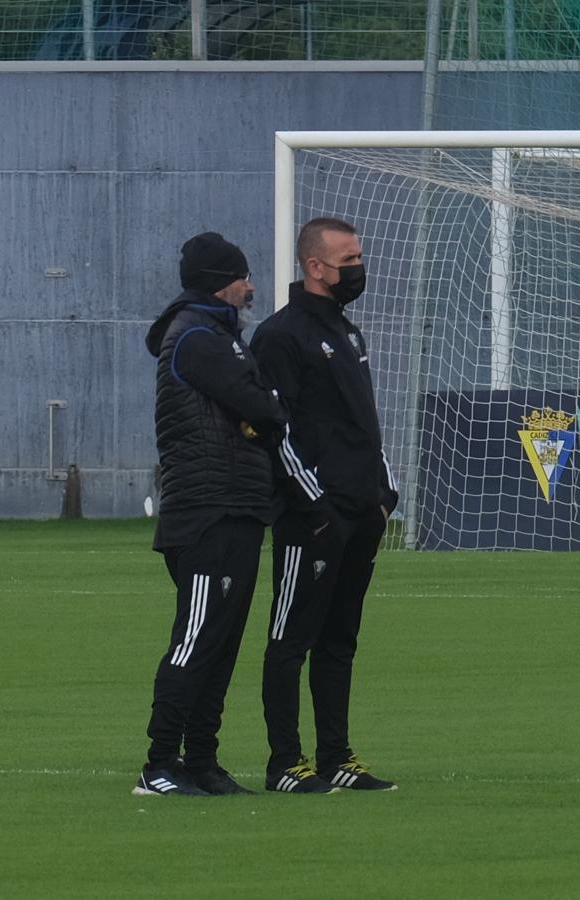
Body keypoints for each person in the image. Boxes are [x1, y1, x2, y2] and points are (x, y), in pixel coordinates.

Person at [134, 232, 287, 797]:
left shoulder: (223, 339)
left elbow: (267, 405)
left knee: (220, 642)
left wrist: (265, 410)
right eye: (244, 276)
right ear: (222, 283)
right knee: (197, 636)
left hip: (238, 505)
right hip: (206, 509)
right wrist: (262, 412)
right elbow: (263, 406)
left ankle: (201, 760)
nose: (251, 286)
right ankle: (157, 765)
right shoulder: (198, 337)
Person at [251, 217, 398, 794]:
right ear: (314, 266)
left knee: (341, 639)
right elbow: (273, 429)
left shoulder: (349, 332)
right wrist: (314, 504)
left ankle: (337, 756)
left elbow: (364, 426)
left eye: (359, 255)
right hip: (311, 518)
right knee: (291, 638)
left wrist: (383, 496)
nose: (358, 267)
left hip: (362, 514)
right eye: (348, 258)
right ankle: (285, 762)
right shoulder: (280, 336)